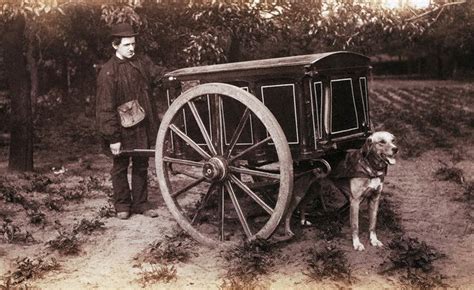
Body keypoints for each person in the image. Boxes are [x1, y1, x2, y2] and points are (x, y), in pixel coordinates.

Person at [96, 23, 166, 219]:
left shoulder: (140, 63)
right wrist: (113, 138)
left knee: (141, 163)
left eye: (133, 44)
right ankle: (122, 205)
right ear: (115, 45)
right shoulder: (108, 72)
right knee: (119, 166)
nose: (131, 48)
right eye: (127, 45)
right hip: (121, 128)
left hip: (141, 125)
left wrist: (176, 76)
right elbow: (105, 108)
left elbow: (158, 73)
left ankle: (140, 203)